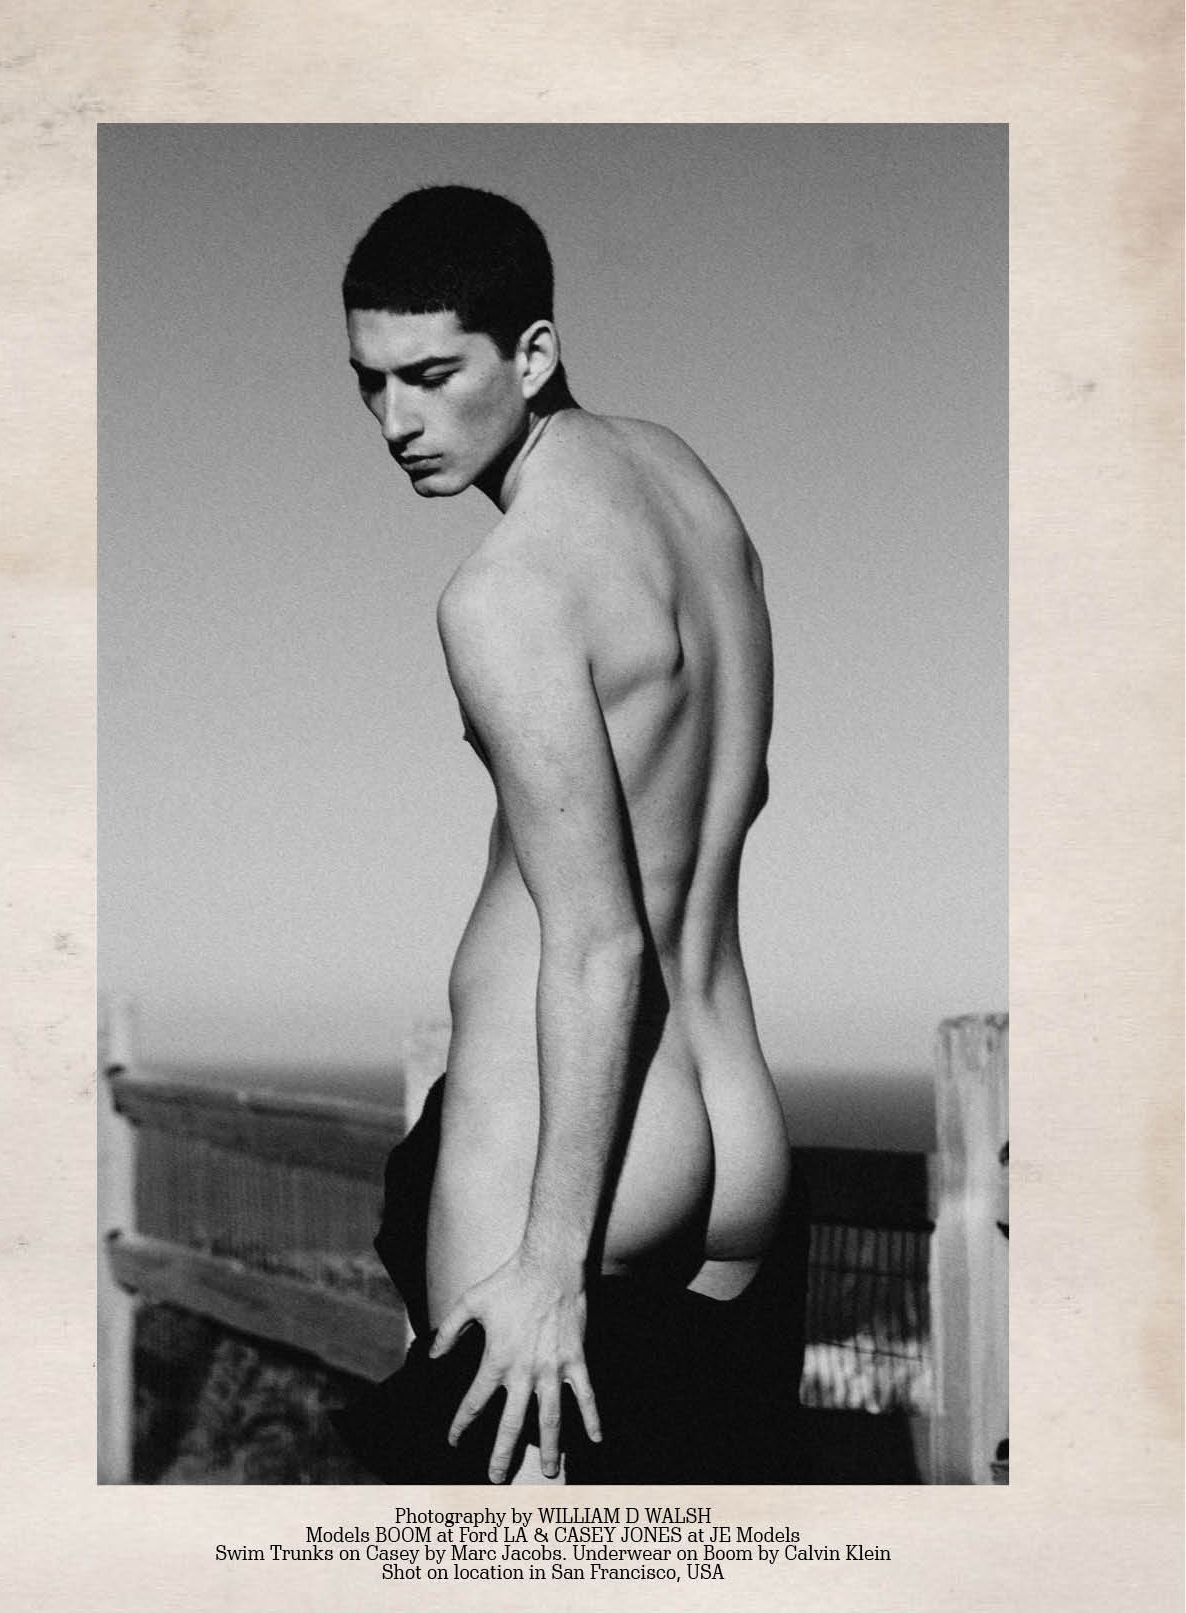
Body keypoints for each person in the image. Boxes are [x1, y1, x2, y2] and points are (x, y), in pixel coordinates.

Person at [332, 186, 808, 1485]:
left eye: (433, 376)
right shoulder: (685, 485)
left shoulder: (507, 590)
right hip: (738, 1126)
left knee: (500, 1559)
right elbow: (739, 786)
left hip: (571, 1158)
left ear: (531, 353)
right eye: (370, 382)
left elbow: (598, 943)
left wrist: (548, 1259)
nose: (395, 421)